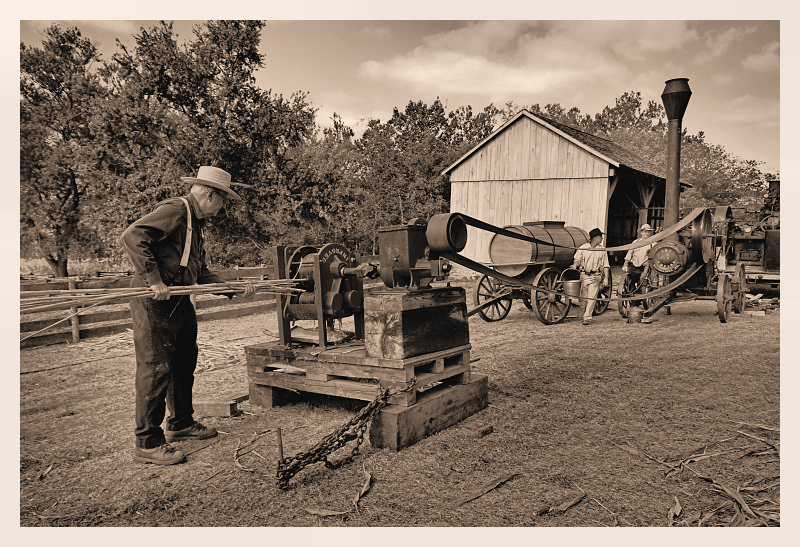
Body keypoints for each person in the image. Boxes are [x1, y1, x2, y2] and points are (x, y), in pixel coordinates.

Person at [121, 166, 255, 465]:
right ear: (210, 195)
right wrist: (154, 280)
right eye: (222, 202)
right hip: (153, 299)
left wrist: (231, 287)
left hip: (179, 298)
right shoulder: (175, 210)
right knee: (156, 367)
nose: (222, 209)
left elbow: (200, 272)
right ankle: (147, 442)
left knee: (183, 360)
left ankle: (180, 422)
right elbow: (133, 236)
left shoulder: (195, 225)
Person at [570, 227, 610, 326]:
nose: (602, 239)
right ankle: (585, 313)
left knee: (591, 297)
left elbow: (606, 265)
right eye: (600, 237)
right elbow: (577, 260)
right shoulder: (583, 248)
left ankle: (587, 317)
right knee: (582, 298)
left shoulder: (602, 250)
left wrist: (606, 278)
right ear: (595, 238)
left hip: (596, 276)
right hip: (584, 276)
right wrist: (575, 265)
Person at [623, 223, 654, 288]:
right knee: (629, 281)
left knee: (642, 283)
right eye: (645, 231)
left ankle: (640, 296)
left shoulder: (653, 243)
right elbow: (629, 254)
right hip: (633, 266)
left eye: (648, 232)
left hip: (644, 267)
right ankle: (631, 292)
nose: (647, 233)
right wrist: (625, 264)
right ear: (641, 232)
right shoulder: (635, 242)